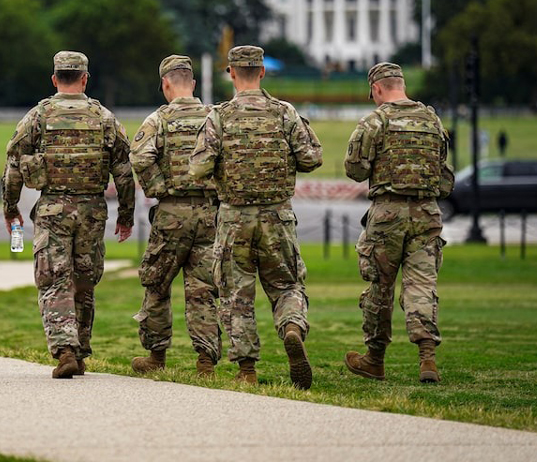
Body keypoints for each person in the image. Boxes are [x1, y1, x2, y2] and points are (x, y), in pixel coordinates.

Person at [189, 45, 322, 389]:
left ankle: (247, 369)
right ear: (262, 72)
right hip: (278, 215)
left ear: (231, 73)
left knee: (237, 295)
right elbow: (310, 159)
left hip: (234, 218)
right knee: (287, 284)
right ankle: (291, 327)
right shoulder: (284, 113)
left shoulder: (219, 116)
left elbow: (198, 167)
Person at [3, 50, 135, 379]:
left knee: (53, 280)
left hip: (52, 210)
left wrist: (11, 208)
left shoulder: (38, 116)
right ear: (85, 79)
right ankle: (80, 350)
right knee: (84, 281)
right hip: (92, 210)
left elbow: (14, 166)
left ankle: (65, 350)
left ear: (54, 78)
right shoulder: (104, 117)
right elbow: (124, 171)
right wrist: (127, 215)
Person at [343, 62, 453, 384]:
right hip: (427, 213)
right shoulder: (432, 120)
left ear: (377, 89)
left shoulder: (375, 121)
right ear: (401, 84)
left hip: (387, 215)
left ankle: (374, 359)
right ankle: (427, 359)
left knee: (380, 286)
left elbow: (355, 171)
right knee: (422, 285)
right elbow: (444, 176)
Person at [128, 55, 221, 377]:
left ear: (165, 84)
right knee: (204, 289)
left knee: (157, 284)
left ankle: (156, 356)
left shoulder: (159, 119)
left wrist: (158, 187)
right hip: (211, 213)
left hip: (171, 214)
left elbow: (140, 156)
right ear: (192, 84)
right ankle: (206, 360)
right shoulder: (215, 117)